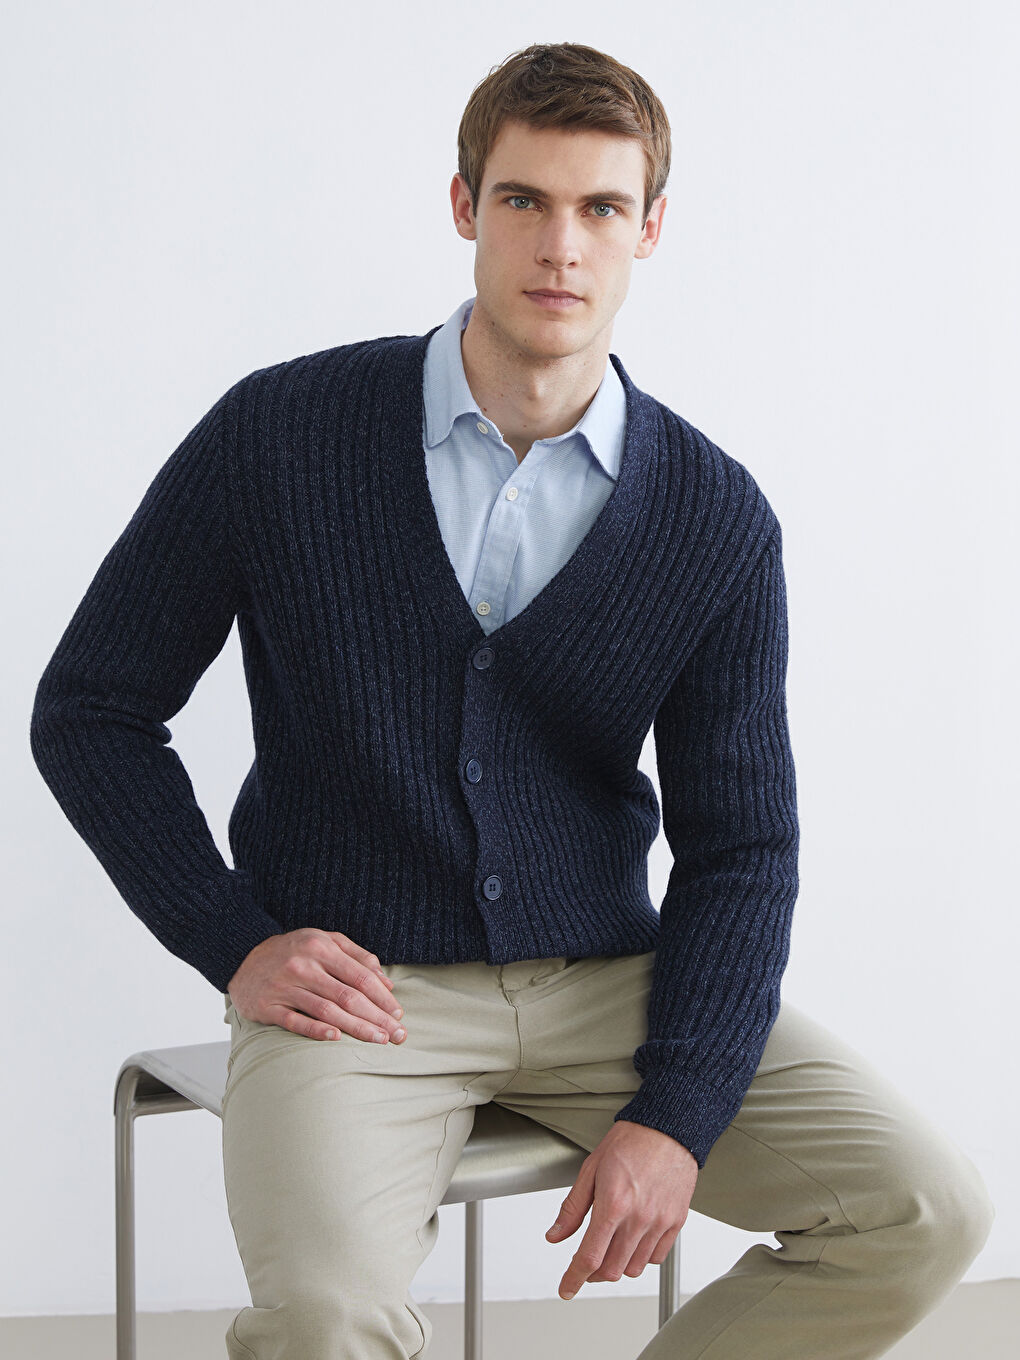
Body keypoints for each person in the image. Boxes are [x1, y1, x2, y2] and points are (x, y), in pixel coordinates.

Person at [30, 40, 993, 1360]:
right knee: (324, 1319)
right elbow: (91, 707)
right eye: (524, 199)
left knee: (924, 1212)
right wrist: (231, 935)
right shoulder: (280, 436)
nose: (562, 246)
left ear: (651, 228)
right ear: (463, 206)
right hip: (362, 992)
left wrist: (679, 1113)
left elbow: (742, 850)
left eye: (602, 207)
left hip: (614, 989)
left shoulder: (714, 519)